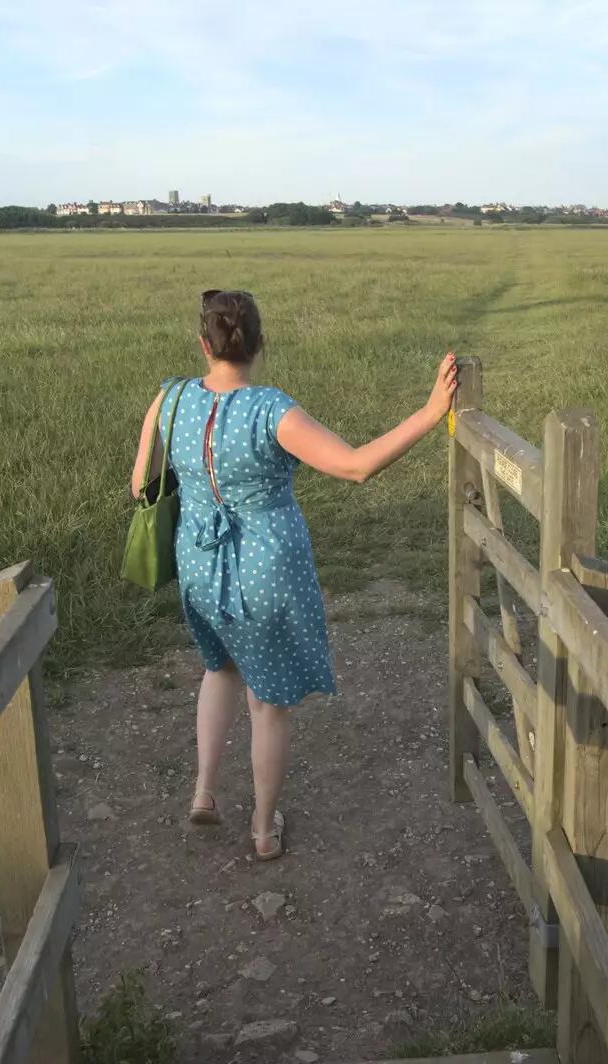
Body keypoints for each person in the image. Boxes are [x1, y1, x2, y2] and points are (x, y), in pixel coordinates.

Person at [130, 289, 458, 860]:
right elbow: (355, 467)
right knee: (268, 704)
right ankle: (261, 830)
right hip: (265, 569)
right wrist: (432, 413)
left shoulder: (170, 399)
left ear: (204, 345)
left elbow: (141, 488)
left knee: (218, 668)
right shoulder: (270, 410)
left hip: (199, 564)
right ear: (259, 345)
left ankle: (204, 794)